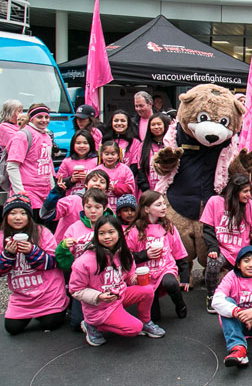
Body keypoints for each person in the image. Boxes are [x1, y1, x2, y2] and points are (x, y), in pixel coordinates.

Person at [70, 215, 165, 346]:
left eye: (111, 232)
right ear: (96, 235)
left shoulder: (123, 253)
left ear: (119, 233)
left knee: (148, 290)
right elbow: (75, 290)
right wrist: (98, 296)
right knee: (134, 329)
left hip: (119, 296)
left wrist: (136, 279)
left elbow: (129, 275)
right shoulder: (84, 261)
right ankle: (92, 325)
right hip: (100, 308)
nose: (107, 237)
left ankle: (146, 322)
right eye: (102, 233)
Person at [1, 194, 68, 335]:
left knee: (50, 323)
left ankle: (63, 302)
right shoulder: (2, 237)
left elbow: (54, 262)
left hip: (48, 293)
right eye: (13, 213)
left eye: (23, 213)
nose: (18, 217)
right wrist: (8, 255)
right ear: (6, 216)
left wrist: (32, 251)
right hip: (22, 296)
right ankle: (31, 313)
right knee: (12, 328)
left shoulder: (42, 232)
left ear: (29, 216)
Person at [200, 175, 252, 313]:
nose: (249, 195)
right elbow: (208, 228)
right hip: (222, 249)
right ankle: (212, 297)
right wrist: (213, 248)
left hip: (242, 250)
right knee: (213, 262)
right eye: (245, 191)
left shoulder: (251, 206)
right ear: (234, 191)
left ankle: (246, 297)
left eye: (249, 191)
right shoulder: (215, 201)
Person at [125, 191, 189, 321]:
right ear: (147, 208)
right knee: (154, 317)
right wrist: (145, 255)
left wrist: (185, 277)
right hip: (145, 274)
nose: (164, 207)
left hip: (165, 268)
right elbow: (126, 257)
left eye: (164, 203)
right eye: (159, 204)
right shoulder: (134, 230)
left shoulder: (168, 226)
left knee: (170, 283)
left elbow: (180, 253)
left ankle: (180, 304)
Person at [6, 104, 54, 220]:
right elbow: (12, 166)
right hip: (28, 193)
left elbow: (48, 163)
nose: (44, 120)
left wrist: (53, 189)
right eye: (40, 117)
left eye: (46, 117)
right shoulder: (22, 135)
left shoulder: (47, 136)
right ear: (31, 118)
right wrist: (20, 192)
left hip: (45, 193)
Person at [93, 141, 136, 212]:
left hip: (121, 208)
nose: (110, 157)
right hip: (102, 208)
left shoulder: (125, 169)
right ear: (101, 155)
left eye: (113, 154)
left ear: (118, 155)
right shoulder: (97, 170)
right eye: (106, 154)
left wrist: (114, 188)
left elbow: (131, 188)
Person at [134, 113, 170, 193]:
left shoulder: (171, 144)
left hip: (168, 190)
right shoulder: (143, 146)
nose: (156, 127)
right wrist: (146, 189)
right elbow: (140, 169)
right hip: (149, 190)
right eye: (153, 125)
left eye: (159, 124)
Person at [56, 130, 98, 195]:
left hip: (93, 198)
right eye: (78, 143)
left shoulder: (97, 161)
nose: (82, 146)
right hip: (71, 198)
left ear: (91, 144)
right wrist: (71, 180)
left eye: (85, 143)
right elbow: (59, 181)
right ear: (73, 144)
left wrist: (89, 179)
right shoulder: (67, 162)